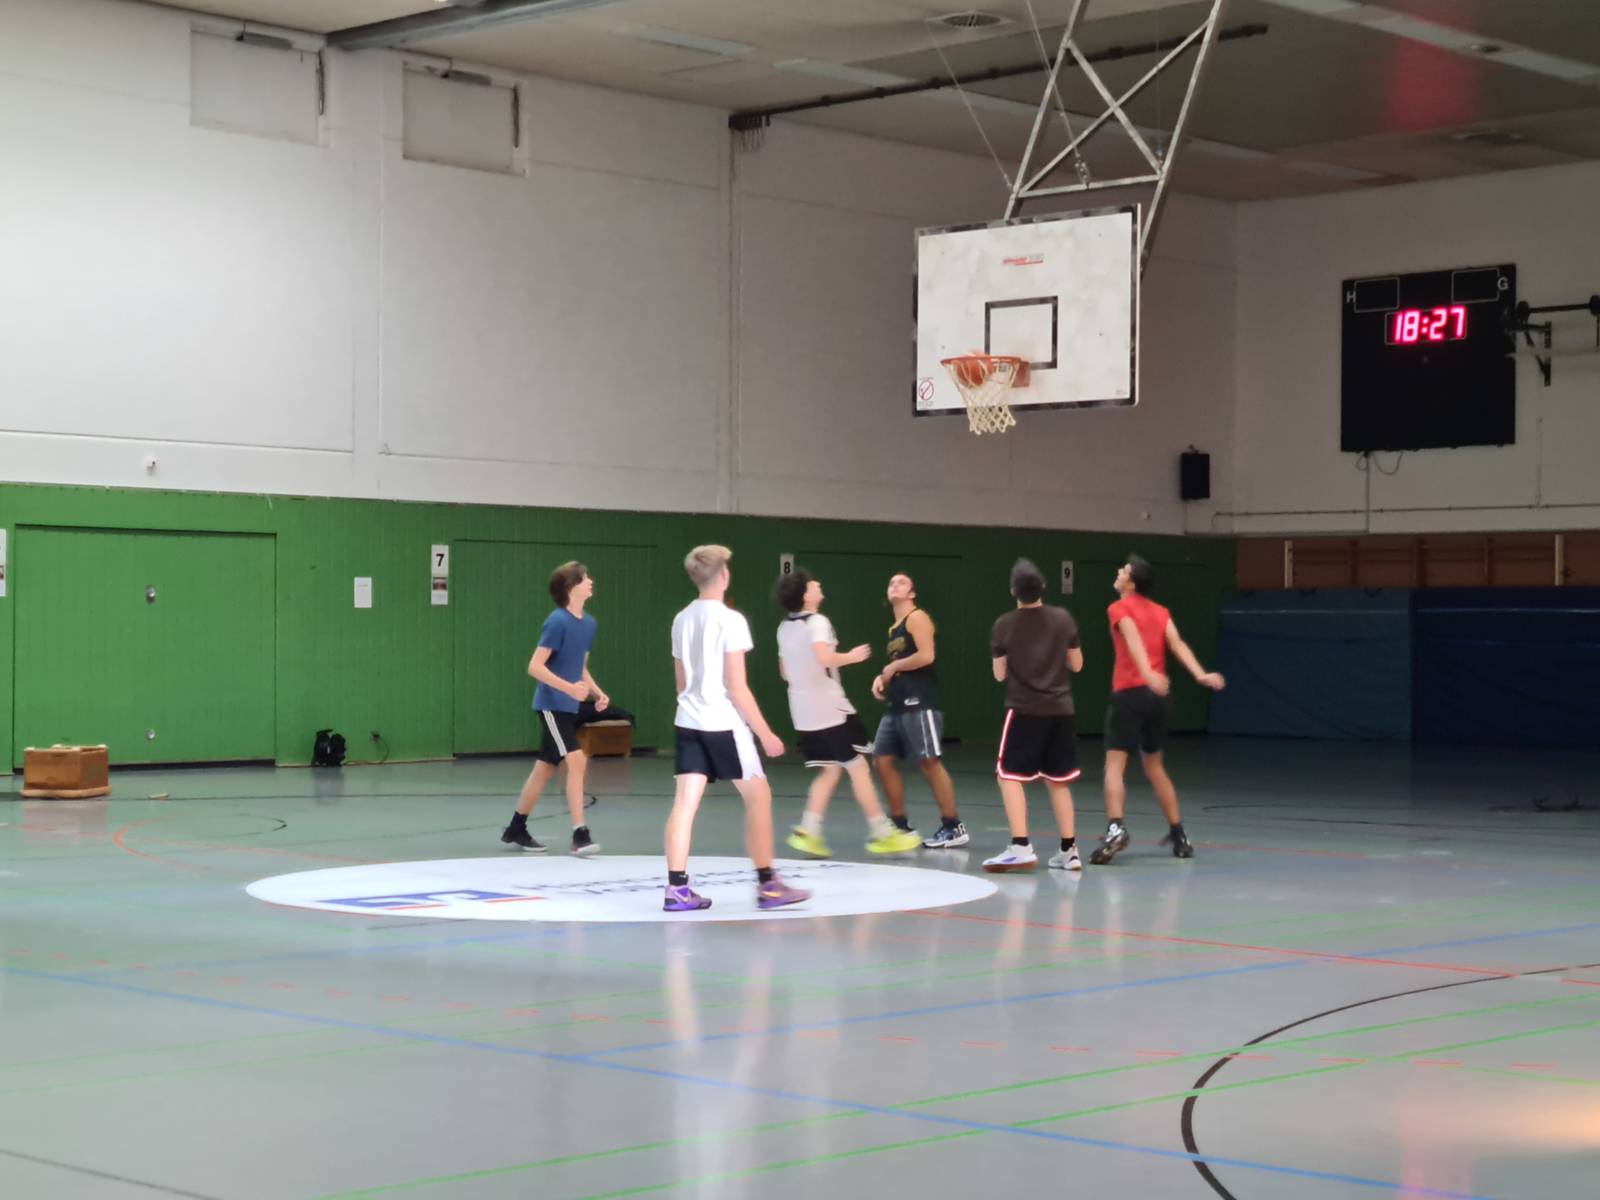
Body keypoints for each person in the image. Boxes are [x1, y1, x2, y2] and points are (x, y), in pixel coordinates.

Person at [663, 545, 810, 912]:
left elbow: (681, 682)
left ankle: (677, 889)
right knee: (759, 797)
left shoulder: (681, 619)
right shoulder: (731, 620)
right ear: (724, 575)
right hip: (723, 724)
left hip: (687, 721)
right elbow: (737, 686)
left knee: (684, 805)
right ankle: (768, 885)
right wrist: (766, 734)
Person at [774, 568, 923, 859]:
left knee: (830, 769)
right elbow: (823, 657)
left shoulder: (784, 627)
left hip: (801, 709)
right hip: (829, 707)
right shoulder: (818, 622)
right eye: (816, 584)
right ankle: (882, 831)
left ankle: (809, 829)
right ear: (806, 594)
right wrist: (851, 657)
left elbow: (784, 671)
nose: (820, 587)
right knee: (857, 767)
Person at [1089, 554, 1226, 865]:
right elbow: (1176, 644)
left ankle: (1115, 829)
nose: (1118, 572)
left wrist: (1147, 671)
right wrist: (1200, 674)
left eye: (1123, 570)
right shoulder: (1161, 612)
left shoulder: (1119, 607)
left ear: (1131, 583)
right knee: (1154, 767)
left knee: (1114, 766)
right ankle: (1179, 834)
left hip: (1130, 695)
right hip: (1158, 699)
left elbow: (1132, 636)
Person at [981, 558, 1084, 873]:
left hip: (1024, 710)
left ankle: (1021, 845)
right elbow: (1077, 665)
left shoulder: (1003, 625)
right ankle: (1069, 850)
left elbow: (999, 675)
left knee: (1009, 777)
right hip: (1061, 711)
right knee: (1058, 781)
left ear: (1014, 590)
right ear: (1043, 588)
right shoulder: (1063, 619)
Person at [500, 561, 607, 856]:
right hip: (551, 704)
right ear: (572, 587)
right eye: (586, 578)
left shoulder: (589, 624)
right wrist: (569, 689)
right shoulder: (557, 621)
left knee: (544, 769)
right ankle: (580, 834)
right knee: (576, 761)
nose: (591, 582)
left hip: (568, 706)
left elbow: (579, 667)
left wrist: (597, 692)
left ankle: (516, 828)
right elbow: (535, 666)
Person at [871, 572, 967, 849]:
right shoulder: (894, 629)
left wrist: (893, 668)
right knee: (882, 760)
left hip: (919, 703)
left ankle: (953, 826)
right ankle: (899, 826)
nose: (894, 585)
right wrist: (883, 676)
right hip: (897, 705)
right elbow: (900, 662)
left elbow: (926, 656)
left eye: (900, 582)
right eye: (890, 582)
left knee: (929, 762)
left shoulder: (917, 617)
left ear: (912, 593)